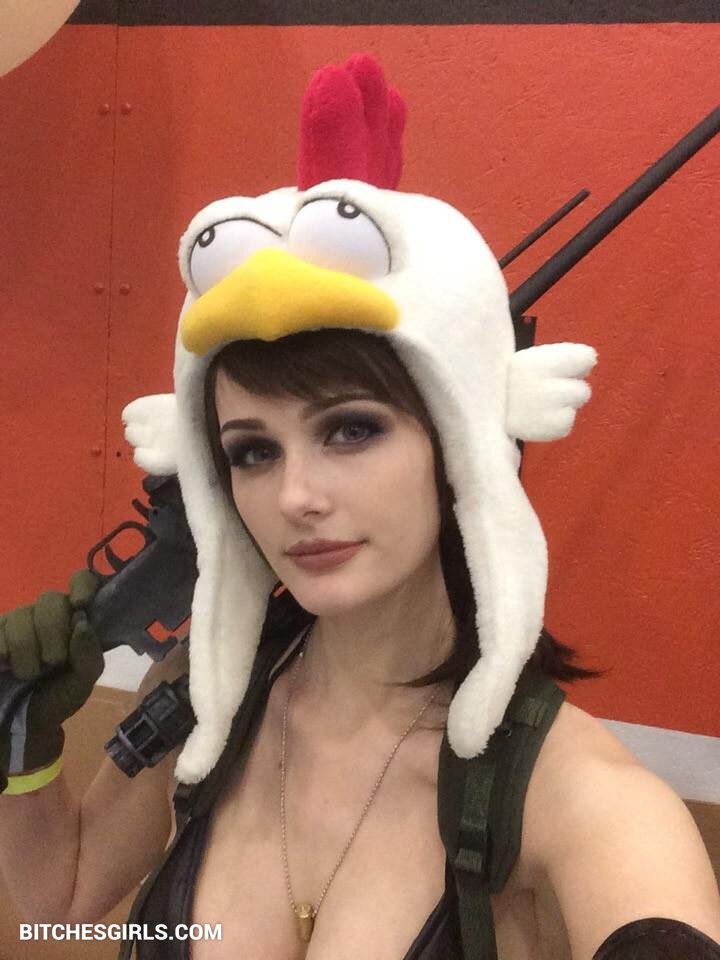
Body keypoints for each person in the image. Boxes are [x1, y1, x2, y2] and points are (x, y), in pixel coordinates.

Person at [2, 52, 720, 960]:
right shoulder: (207, 693)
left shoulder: (569, 799)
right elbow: (60, 908)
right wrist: (20, 738)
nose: (295, 497)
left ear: (459, 444)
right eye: (253, 451)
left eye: (351, 430)